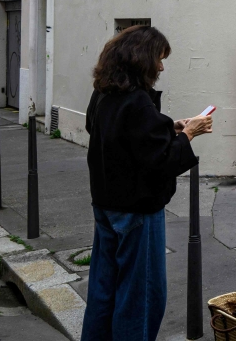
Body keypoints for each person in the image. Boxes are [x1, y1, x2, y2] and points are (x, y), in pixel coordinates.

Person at [81, 25, 214, 340]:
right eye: (159, 58)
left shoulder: (104, 92)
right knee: (140, 298)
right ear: (142, 58)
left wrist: (171, 126)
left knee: (104, 291)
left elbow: (116, 134)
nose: (162, 67)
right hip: (138, 211)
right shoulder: (138, 100)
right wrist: (189, 134)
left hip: (105, 204)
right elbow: (161, 161)